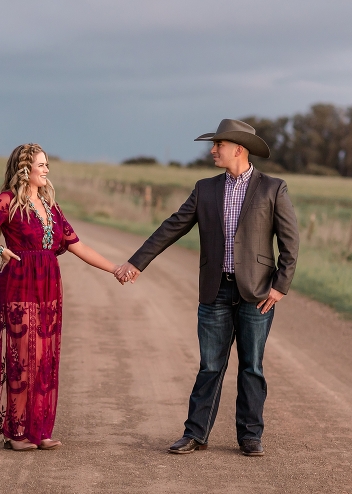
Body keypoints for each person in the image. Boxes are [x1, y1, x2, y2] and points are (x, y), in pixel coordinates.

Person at [115, 119, 299, 456]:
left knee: (252, 367)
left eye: (218, 145)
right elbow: (172, 226)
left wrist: (280, 287)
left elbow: (290, 241)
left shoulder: (273, 188)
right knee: (210, 365)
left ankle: (250, 437)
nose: (213, 151)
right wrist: (137, 262)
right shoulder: (205, 188)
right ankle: (195, 434)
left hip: (257, 293)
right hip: (215, 291)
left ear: (239, 149)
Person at [0, 143, 121, 451]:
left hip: (48, 286)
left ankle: (39, 429)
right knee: (22, 358)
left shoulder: (50, 205)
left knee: (44, 358)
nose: (46, 169)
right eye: (41, 165)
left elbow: (78, 246)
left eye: (47, 165)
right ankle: (16, 432)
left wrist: (115, 269)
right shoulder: (7, 201)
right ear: (25, 169)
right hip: (19, 283)